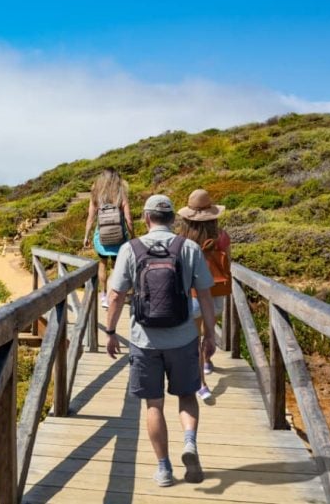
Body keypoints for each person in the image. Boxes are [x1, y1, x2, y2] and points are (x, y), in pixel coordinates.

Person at [104, 194, 216, 488]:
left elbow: (115, 295)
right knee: (187, 395)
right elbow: (205, 294)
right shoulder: (189, 248)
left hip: (144, 340)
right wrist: (210, 335)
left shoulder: (131, 248)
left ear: (146, 218)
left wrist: (110, 331)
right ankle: (189, 442)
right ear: (173, 219)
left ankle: (164, 468)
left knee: (154, 405)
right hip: (183, 338)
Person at [178, 189, 231, 401]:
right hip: (216, 293)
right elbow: (229, 262)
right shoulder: (222, 236)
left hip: (192, 295)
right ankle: (207, 361)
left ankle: (200, 383)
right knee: (209, 333)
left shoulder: (182, 239)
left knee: (195, 337)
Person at [81, 168, 133, 309]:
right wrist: (132, 234)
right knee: (116, 267)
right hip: (119, 237)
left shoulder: (96, 192)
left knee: (102, 264)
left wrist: (86, 236)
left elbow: (91, 217)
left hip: (101, 236)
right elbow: (128, 218)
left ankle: (104, 296)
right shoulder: (121, 191)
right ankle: (114, 295)